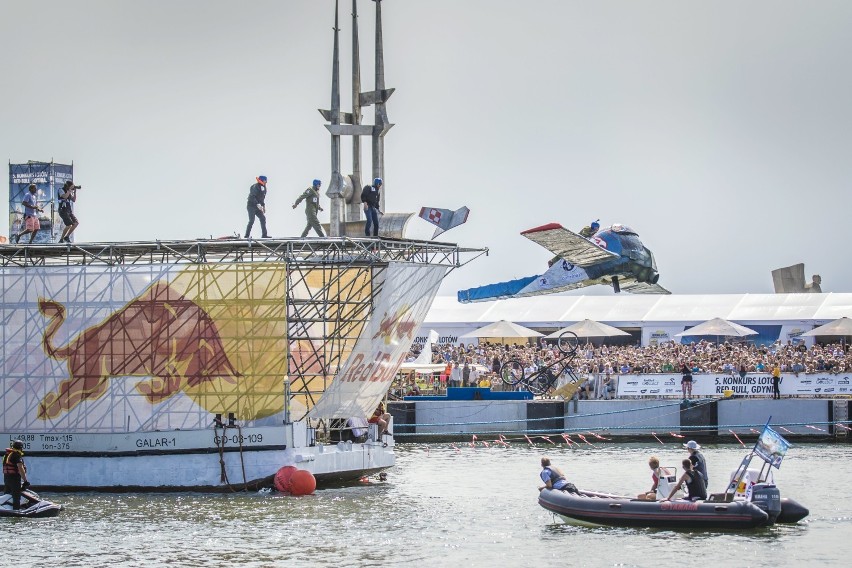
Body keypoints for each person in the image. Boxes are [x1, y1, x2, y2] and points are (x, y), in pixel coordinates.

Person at [2, 440, 29, 510]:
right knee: (16, 498)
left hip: (6, 479)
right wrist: (25, 481)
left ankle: (5, 511)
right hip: (14, 479)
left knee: (7, 497)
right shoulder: (16, 455)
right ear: (21, 448)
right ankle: (16, 513)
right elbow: (20, 468)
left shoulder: (7, 454)